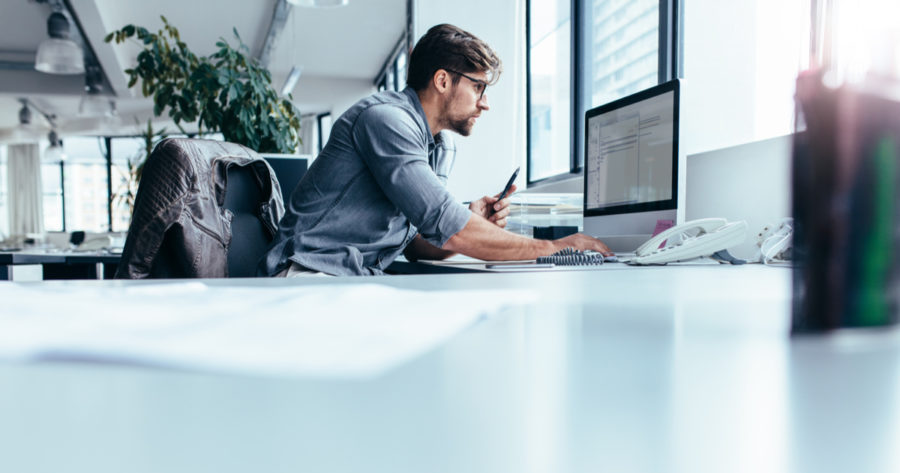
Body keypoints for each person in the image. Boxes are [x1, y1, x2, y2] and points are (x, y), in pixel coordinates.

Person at [259, 23, 610, 277]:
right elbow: (450, 228)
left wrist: (472, 220)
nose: (485, 103)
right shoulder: (386, 121)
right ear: (442, 80)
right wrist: (554, 248)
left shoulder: (440, 144)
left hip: (353, 278)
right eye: (478, 87)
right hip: (308, 273)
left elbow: (416, 244)